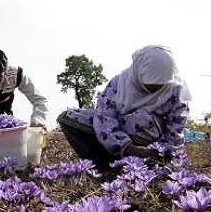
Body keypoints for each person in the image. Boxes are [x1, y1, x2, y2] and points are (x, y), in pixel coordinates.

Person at [57, 45, 191, 170]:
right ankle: (102, 163)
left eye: (162, 84)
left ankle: (143, 166)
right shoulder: (120, 83)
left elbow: (175, 132)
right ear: (140, 71)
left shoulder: (176, 92)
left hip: (151, 147)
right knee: (70, 117)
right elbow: (104, 117)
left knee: (140, 119)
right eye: (152, 82)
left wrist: (162, 153)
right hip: (115, 140)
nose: (157, 88)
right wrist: (130, 148)